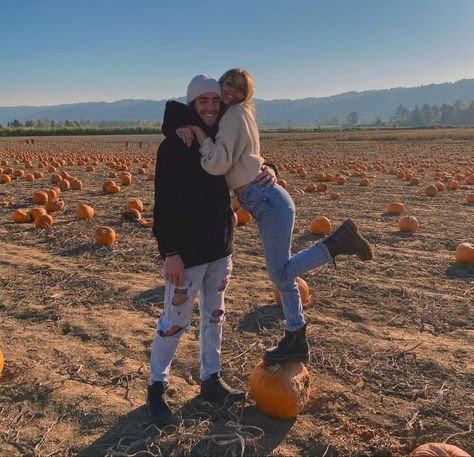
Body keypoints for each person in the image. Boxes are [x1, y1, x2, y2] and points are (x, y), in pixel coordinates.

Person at [180, 68, 375, 368]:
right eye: (228, 83)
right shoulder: (238, 114)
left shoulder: (232, 116)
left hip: (266, 202)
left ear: (247, 93)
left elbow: (218, 163)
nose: (232, 90)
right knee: (284, 277)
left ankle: (337, 243)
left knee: (280, 274)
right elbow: (246, 157)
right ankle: (296, 337)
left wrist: (201, 137)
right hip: (268, 200)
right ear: (220, 85)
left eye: (240, 87)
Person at [148, 75, 275, 424]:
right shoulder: (175, 145)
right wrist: (170, 251)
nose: (209, 107)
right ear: (192, 105)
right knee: (174, 321)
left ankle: (211, 378)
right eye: (202, 101)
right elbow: (164, 204)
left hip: (220, 246)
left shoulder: (221, 135)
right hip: (186, 254)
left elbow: (247, 154)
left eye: (214, 101)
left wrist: (270, 169)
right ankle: (157, 385)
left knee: (215, 317)